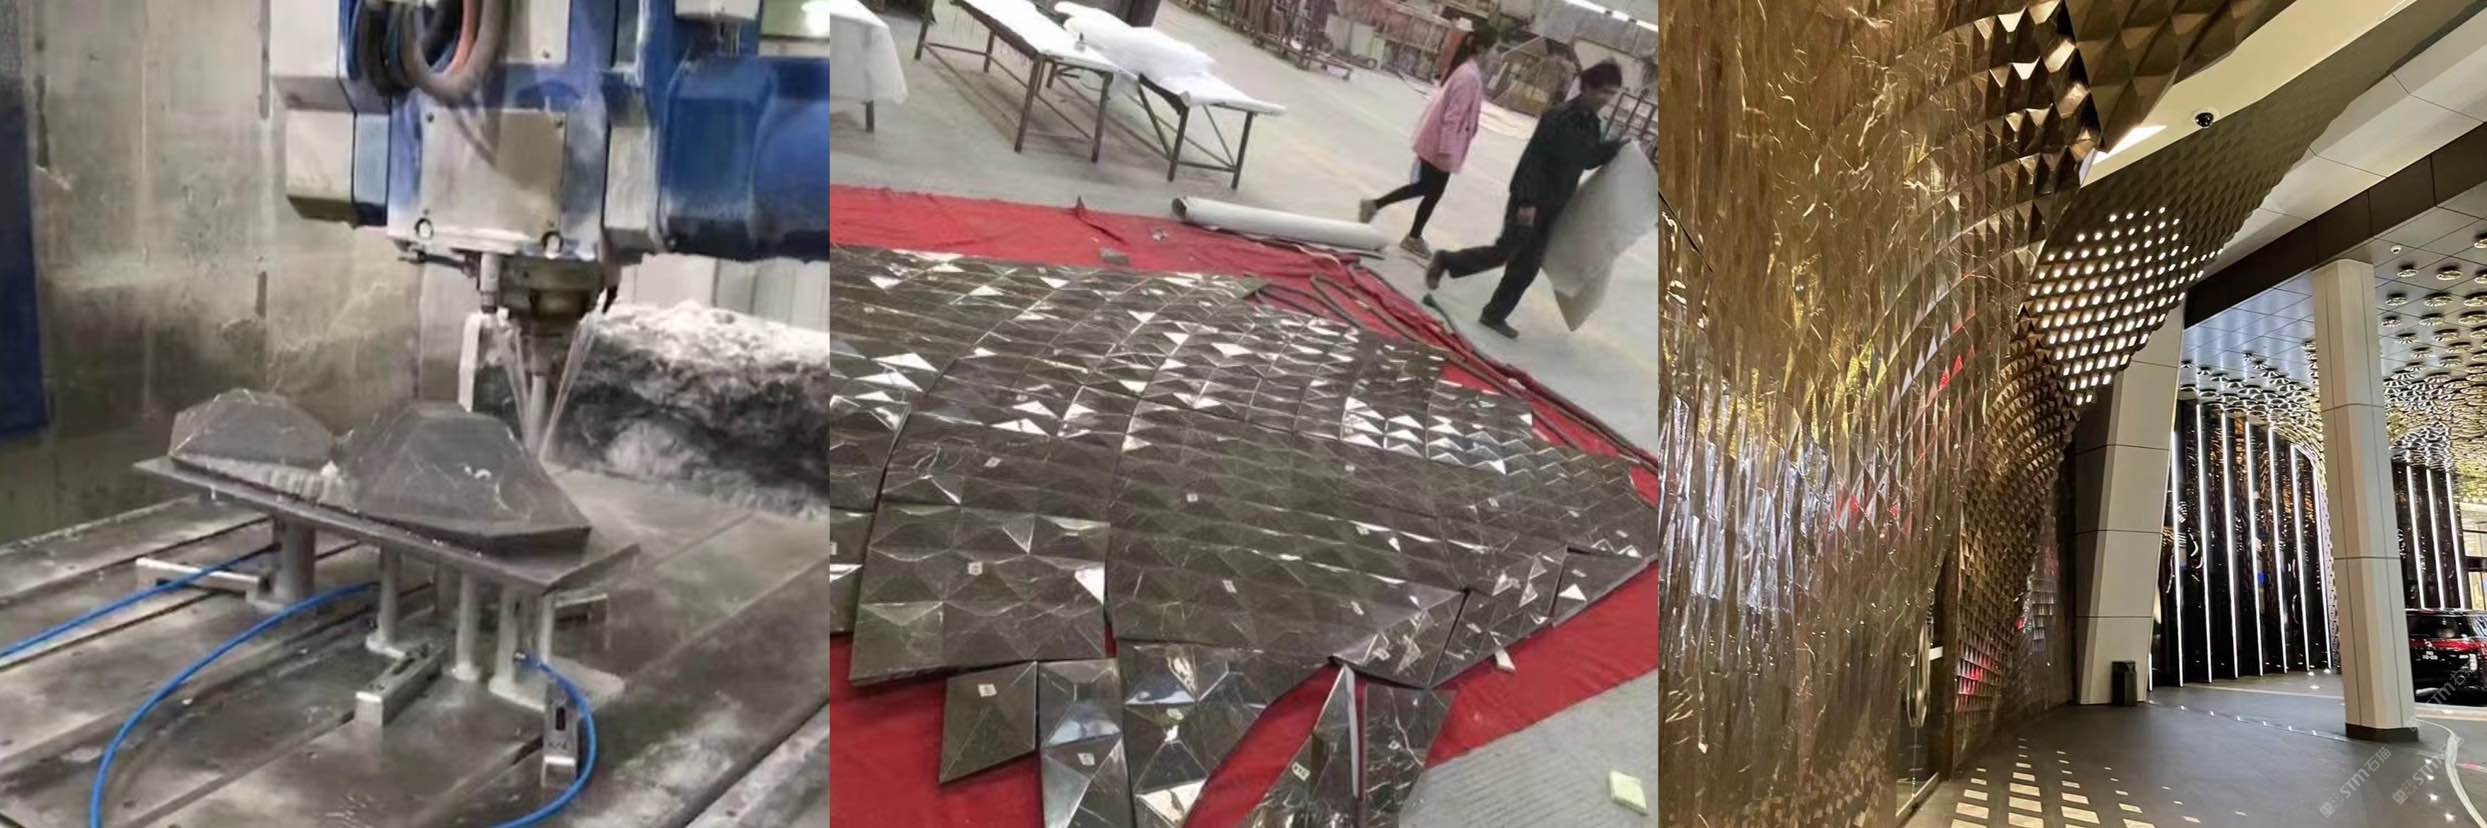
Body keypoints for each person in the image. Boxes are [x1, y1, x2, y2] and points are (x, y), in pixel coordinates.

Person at [1425, 60, 1628, 340]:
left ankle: (1494, 314)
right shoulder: (1558, 117)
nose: (1607, 99)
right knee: (1504, 252)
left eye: (1612, 93)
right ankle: (1446, 260)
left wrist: (1616, 149)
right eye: (1604, 91)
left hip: (1555, 205)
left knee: (1527, 267)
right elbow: (1534, 161)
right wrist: (1527, 203)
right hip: (1531, 200)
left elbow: (1586, 159)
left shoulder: (1591, 125)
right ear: (1587, 87)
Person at [1357, 29, 1497, 258]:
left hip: (1437, 140)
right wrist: (1447, 151)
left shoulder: (1466, 70)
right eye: (1494, 49)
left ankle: (1400, 226)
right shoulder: (1469, 76)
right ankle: (1389, 217)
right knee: (1429, 190)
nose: (1494, 55)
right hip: (1440, 144)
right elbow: (1453, 116)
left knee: (1429, 189)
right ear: (1482, 48)